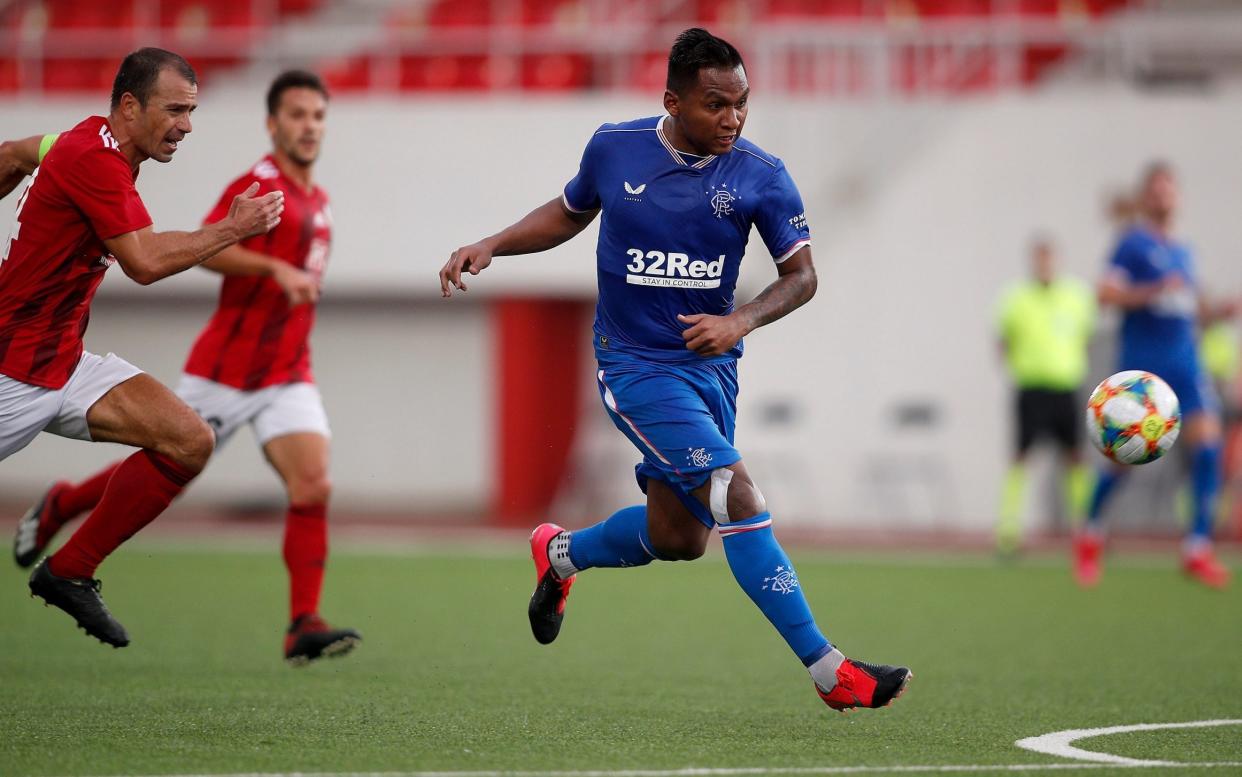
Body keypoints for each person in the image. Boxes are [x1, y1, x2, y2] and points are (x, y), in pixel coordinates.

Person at [439, 28, 911, 711]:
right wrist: (493, 244)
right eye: (717, 105)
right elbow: (570, 211)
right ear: (673, 101)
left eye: (742, 103)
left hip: (710, 369)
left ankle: (561, 554)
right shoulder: (615, 146)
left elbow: (802, 276)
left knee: (680, 537)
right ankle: (828, 668)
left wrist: (739, 320)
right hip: (633, 366)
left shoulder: (762, 175)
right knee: (735, 492)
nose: (733, 118)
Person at [12, 70, 360, 665]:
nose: (187, 125)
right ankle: (65, 504)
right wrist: (260, 256)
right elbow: (152, 260)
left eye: (318, 116)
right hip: (215, 368)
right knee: (176, 450)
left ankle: (303, 620)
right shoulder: (257, 183)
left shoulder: (316, 199)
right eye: (175, 109)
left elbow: (19, 151)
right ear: (273, 124)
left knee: (283, 474)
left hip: (271, 370)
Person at [1075, 162, 1238, 588]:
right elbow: (1105, 293)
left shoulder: (1184, 251)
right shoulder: (1132, 244)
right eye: (1157, 190)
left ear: (1178, 197)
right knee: (1123, 462)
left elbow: (1189, 307)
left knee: (1209, 449)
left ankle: (1197, 547)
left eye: (1170, 190)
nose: (1164, 196)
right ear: (1147, 197)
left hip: (1187, 364)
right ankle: (1090, 533)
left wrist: (1218, 311)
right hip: (1145, 373)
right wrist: (1150, 291)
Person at [994, 236, 1096, 555]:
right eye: (1039, 259)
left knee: (1075, 457)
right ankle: (1009, 531)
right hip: (1031, 387)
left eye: (1049, 258)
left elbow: (1085, 337)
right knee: (1021, 456)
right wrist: (1021, 367)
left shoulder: (1077, 296)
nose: (1044, 265)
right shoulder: (1015, 297)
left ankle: (1087, 530)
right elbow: (1003, 340)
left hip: (1065, 387)